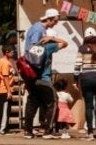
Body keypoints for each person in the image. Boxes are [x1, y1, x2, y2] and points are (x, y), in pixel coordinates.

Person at [23, 9, 67, 138]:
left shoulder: (34, 28)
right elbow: (64, 43)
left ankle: (28, 130)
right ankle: (48, 130)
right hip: (42, 75)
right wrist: (51, 39)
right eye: (55, 20)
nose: (55, 23)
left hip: (31, 75)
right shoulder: (40, 32)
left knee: (33, 102)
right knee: (53, 101)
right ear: (49, 19)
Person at [0, 46, 16, 133]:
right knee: (4, 111)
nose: (13, 53)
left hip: (3, 89)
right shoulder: (5, 63)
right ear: (7, 52)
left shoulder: (4, 61)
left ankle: (0, 128)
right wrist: (9, 91)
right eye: (12, 51)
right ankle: (2, 129)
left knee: (2, 110)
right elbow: (5, 77)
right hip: (4, 89)